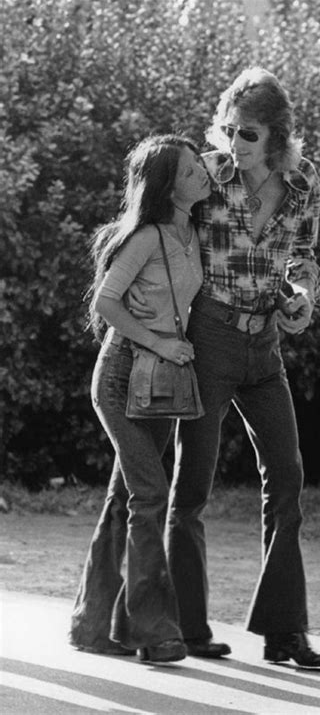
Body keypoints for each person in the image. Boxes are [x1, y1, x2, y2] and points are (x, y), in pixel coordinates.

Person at [130, 67, 320, 668]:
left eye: (245, 134)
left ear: (276, 135)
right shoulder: (209, 177)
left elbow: (303, 259)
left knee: (288, 476)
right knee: (191, 486)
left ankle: (284, 633)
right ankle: (189, 627)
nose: (231, 143)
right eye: (224, 130)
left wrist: (301, 296)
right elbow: (157, 238)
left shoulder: (304, 181)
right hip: (210, 338)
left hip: (264, 345)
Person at [69, 134, 211, 663]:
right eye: (189, 167)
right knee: (150, 496)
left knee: (123, 499)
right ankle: (152, 631)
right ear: (166, 185)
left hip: (160, 381)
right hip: (123, 376)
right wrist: (161, 343)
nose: (201, 171)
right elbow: (106, 302)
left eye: (200, 162)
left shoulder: (193, 230)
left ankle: (91, 626)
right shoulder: (148, 236)